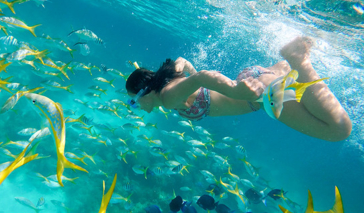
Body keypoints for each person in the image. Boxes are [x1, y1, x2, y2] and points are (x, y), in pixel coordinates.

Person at [125, 37, 352, 142]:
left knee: (338, 130)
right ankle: (288, 64)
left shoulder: (167, 97)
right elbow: (183, 61)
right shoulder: (170, 79)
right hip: (253, 79)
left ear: (143, 92)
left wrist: (235, 91)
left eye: (133, 102)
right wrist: (195, 77)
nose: (136, 108)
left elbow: (205, 77)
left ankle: (299, 61)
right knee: (287, 74)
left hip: (259, 95)